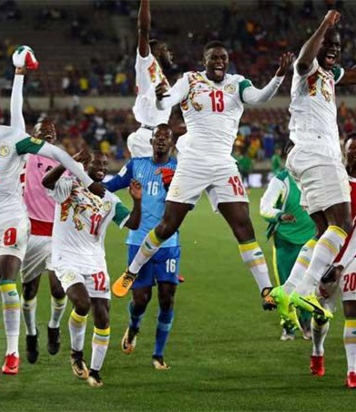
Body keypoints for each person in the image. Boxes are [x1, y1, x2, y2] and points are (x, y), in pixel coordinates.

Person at [0, 47, 103, 390]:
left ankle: (12, 352)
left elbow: (53, 150)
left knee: (7, 278)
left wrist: (87, 179)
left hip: (14, 219)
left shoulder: (11, 137)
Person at [111, 40, 293, 310]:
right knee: (167, 225)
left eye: (223, 57)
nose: (219, 62)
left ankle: (266, 288)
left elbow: (260, 97)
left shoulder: (238, 83)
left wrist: (279, 75)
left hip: (223, 164)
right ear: (204, 60)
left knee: (244, 226)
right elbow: (169, 99)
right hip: (193, 162)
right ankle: (133, 270)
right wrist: (162, 96)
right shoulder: (190, 80)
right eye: (214, 58)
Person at [268, 10, 356, 323]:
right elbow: (302, 60)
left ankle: (287, 288)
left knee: (323, 230)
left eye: (337, 46)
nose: (333, 49)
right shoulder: (306, 70)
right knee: (343, 225)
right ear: (317, 45)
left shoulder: (328, 75)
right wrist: (324, 26)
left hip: (306, 155)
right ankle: (307, 290)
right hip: (316, 152)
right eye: (328, 45)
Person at [43, 151, 142, 387]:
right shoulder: (68, 185)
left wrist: (137, 200)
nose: (102, 167)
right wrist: (69, 163)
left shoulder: (109, 198)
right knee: (82, 303)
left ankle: (95, 371)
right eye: (96, 163)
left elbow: (134, 223)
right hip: (66, 257)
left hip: (95, 260)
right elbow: (47, 182)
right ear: (83, 165)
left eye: (105, 164)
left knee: (102, 315)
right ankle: (76, 354)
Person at [105, 124, 180, 369]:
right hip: (138, 240)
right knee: (141, 299)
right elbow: (113, 184)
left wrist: (173, 187)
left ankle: (158, 354)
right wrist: (87, 186)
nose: (160, 140)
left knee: (167, 298)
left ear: (171, 143)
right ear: (151, 142)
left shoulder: (179, 169)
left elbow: (186, 200)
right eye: (157, 137)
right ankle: (134, 326)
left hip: (168, 243)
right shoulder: (136, 164)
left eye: (165, 137)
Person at [312, 133, 356, 390]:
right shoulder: (332, 181)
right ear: (344, 152)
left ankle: (353, 372)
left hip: (353, 258)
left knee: (354, 310)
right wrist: (325, 260)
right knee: (322, 315)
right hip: (326, 255)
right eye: (351, 148)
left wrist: (341, 265)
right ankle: (318, 350)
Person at [10, 55, 67, 364]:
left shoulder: (64, 162)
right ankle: (31, 334)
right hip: (30, 232)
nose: (46, 134)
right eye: (41, 130)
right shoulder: (23, 155)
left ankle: (54, 326)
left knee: (60, 289)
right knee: (29, 290)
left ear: (55, 136)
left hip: (58, 233)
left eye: (50, 131)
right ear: (33, 133)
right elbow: (15, 114)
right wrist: (19, 74)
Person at [260, 144, 315, 341]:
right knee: (285, 286)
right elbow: (264, 207)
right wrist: (280, 215)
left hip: (311, 239)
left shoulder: (314, 177)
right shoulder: (281, 180)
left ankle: (307, 322)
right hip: (285, 241)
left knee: (308, 284)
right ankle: (288, 326)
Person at [127, 0, 174, 158]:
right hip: (147, 137)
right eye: (166, 49)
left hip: (155, 134)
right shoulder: (146, 62)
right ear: (158, 52)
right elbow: (144, 30)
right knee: (149, 180)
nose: (170, 54)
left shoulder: (160, 74)